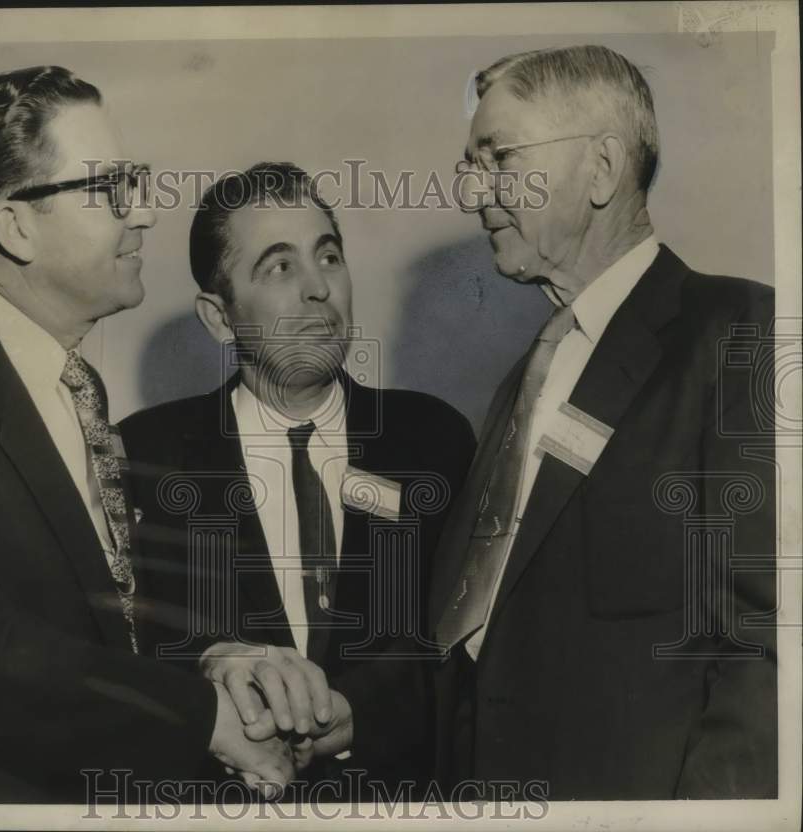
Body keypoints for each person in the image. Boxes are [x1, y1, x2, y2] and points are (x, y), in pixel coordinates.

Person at [0, 66, 293, 804]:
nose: (142, 215)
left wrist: (216, 657)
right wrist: (203, 718)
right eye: (112, 189)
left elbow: (96, 628)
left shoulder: (71, 386)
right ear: (16, 226)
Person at [422, 44, 775, 799]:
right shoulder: (526, 378)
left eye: (499, 157)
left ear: (603, 168)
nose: (471, 191)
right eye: (470, 163)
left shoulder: (738, 329)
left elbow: (766, 638)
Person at [119, 162, 476, 791]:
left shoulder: (431, 439)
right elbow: (129, 652)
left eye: (329, 257)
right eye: (280, 266)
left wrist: (359, 711)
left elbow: (462, 649)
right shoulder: (148, 455)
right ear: (219, 318)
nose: (319, 288)